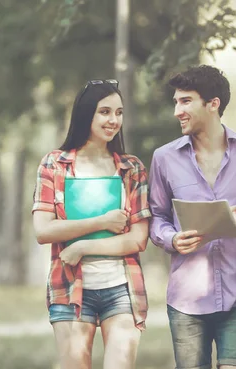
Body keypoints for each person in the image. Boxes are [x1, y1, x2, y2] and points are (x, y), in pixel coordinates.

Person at [148, 65, 236, 369]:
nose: (177, 111)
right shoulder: (164, 158)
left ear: (213, 104)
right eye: (176, 102)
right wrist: (172, 238)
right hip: (186, 301)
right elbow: (156, 217)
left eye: (185, 101)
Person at [32, 79, 152, 369]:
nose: (114, 120)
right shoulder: (54, 165)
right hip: (68, 287)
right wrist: (102, 221)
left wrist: (83, 246)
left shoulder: (131, 168)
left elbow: (138, 239)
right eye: (105, 112)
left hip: (122, 288)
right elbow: (44, 230)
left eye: (119, 113)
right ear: (86, 114)